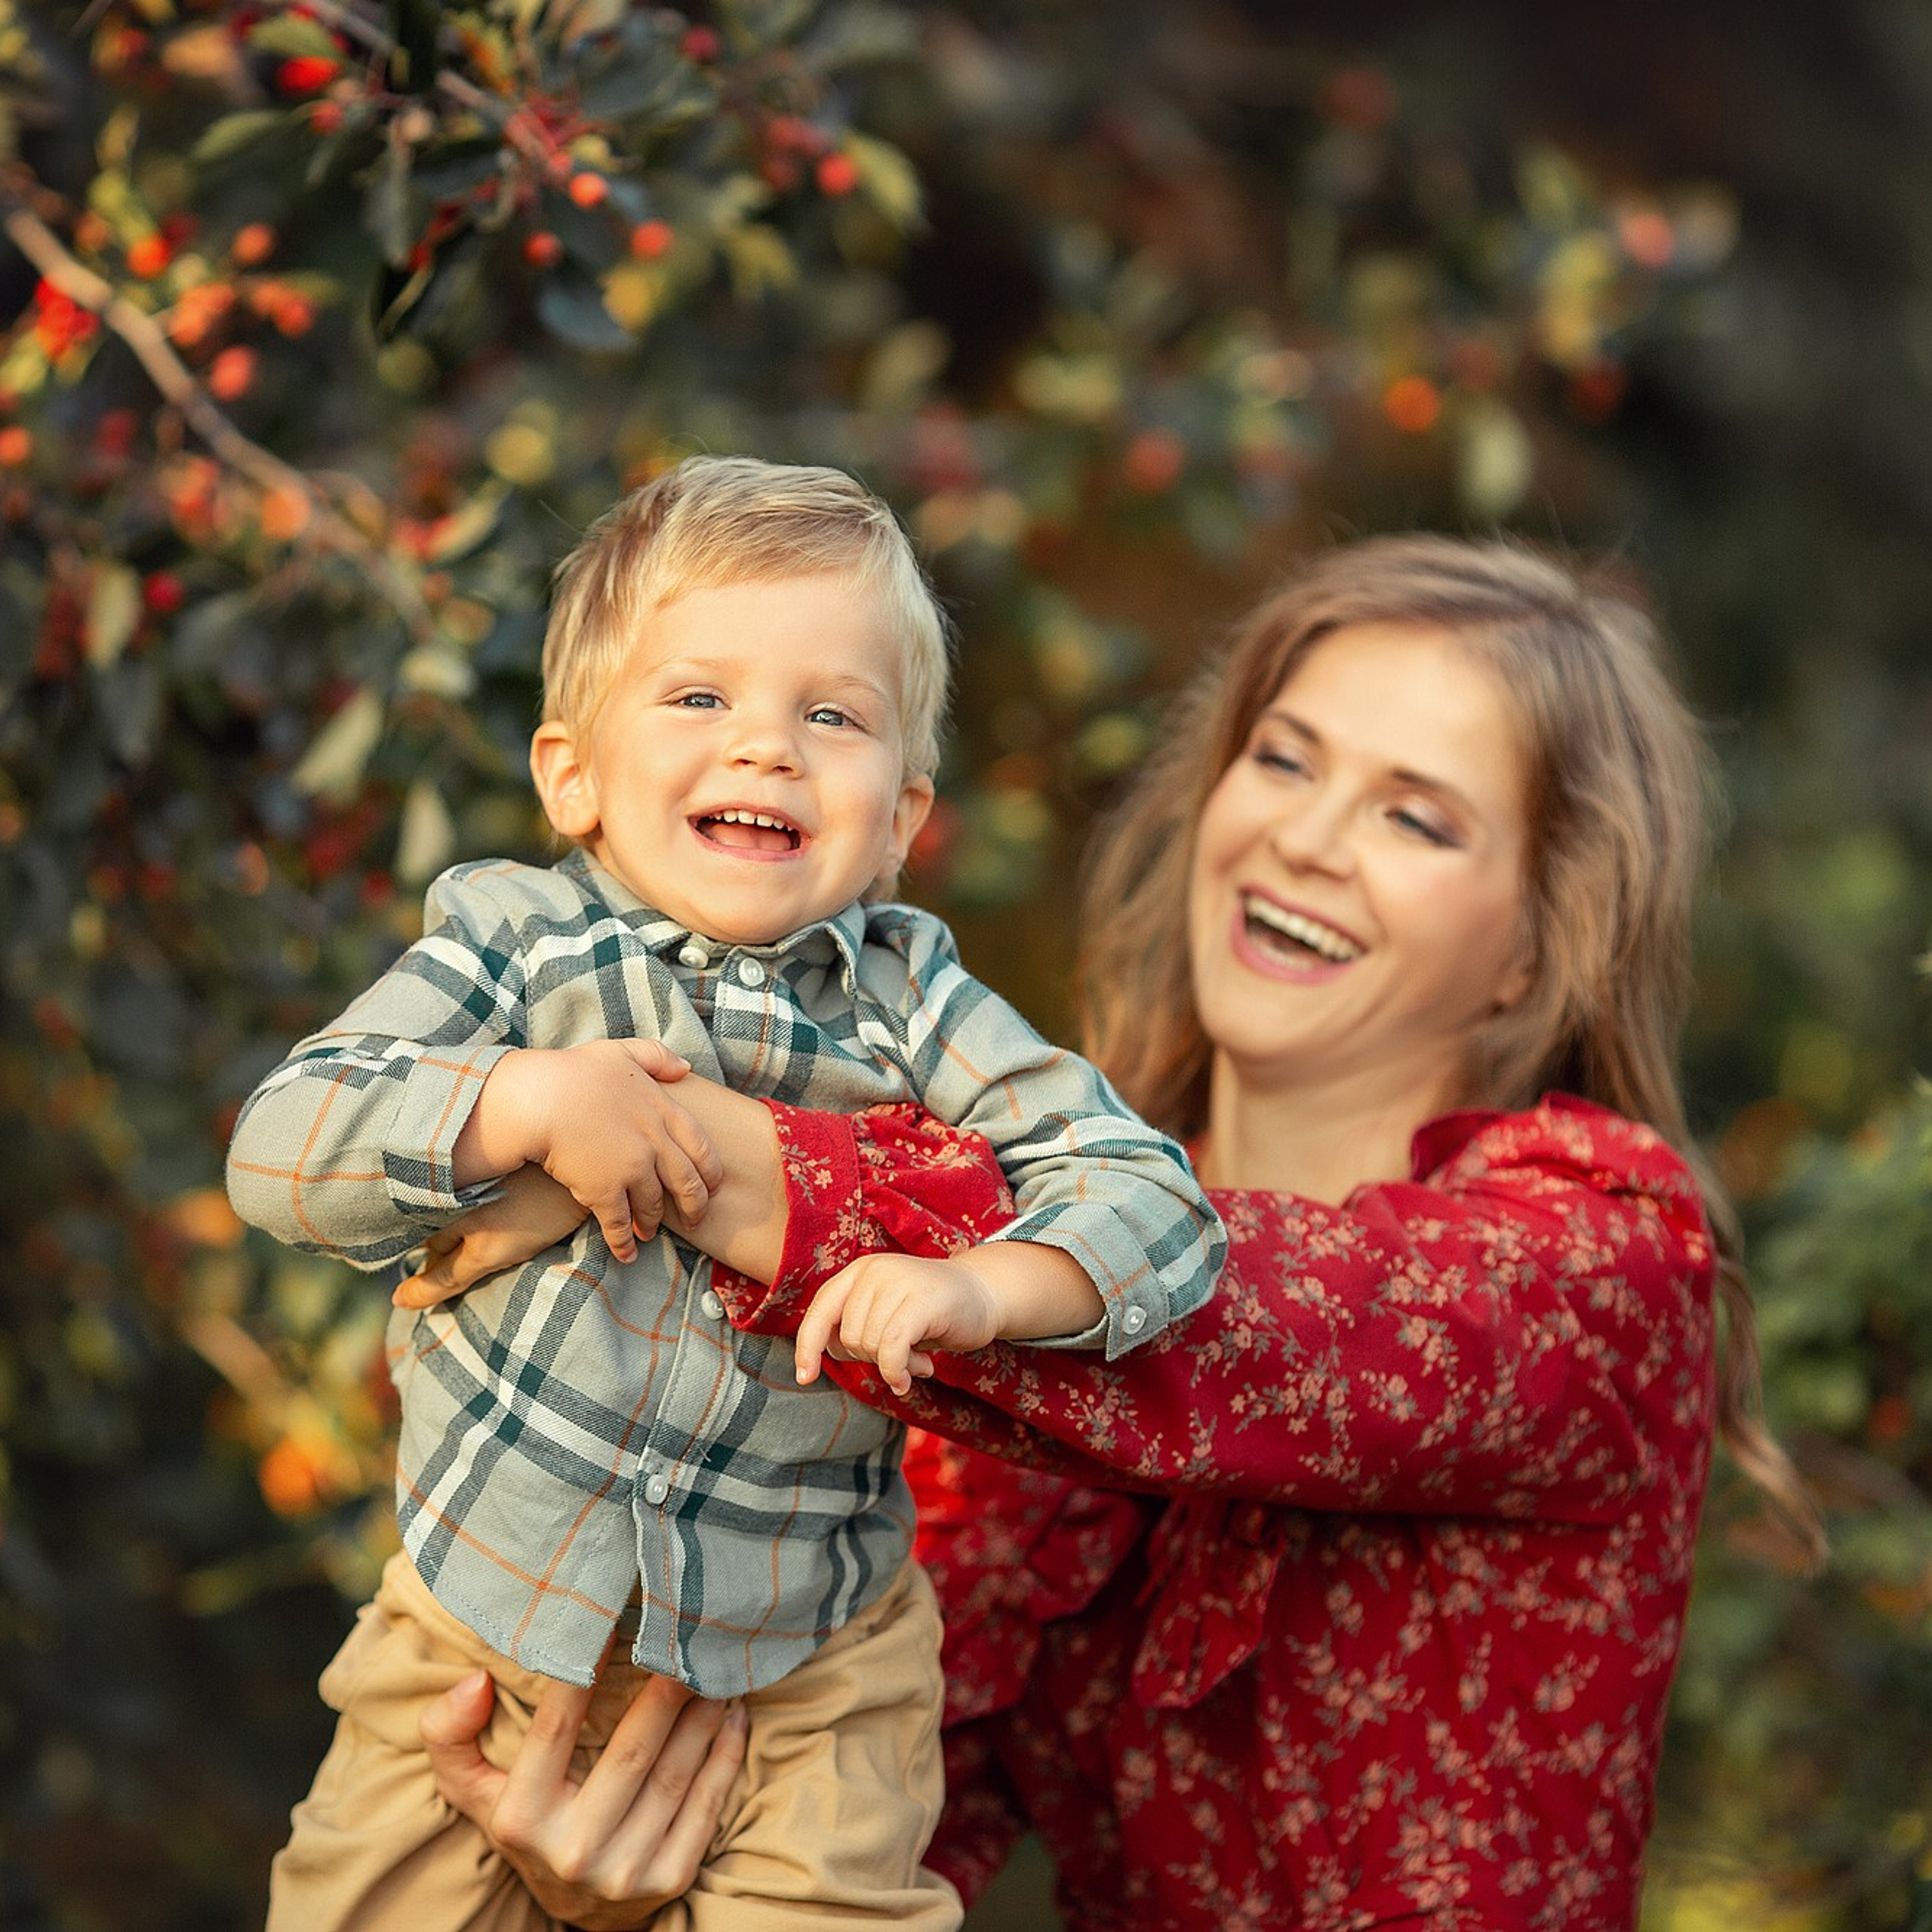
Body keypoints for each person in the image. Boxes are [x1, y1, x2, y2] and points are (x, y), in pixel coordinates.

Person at [401, 532, 1823, 1930]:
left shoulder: (1608, 1252)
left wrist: (707, 1151)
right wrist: (621, 1883)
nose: (1306, 838)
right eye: (1285, 758)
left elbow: (1248, 1321)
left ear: (1533, 938)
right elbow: (865, 1817)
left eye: (1416, 816)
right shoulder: (996, 1308)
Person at [226, 454, 1226, 1932]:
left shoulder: (911, 1000)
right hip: (482, 1618)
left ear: (898, 813)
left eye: (831, 714)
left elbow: (1151, 1198)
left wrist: (978, 1285)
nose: (766, 747)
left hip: (808, 1669)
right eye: (697, 698)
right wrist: (521, 1096)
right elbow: (281, 1141)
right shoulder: (516, 945)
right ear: (572, 772)